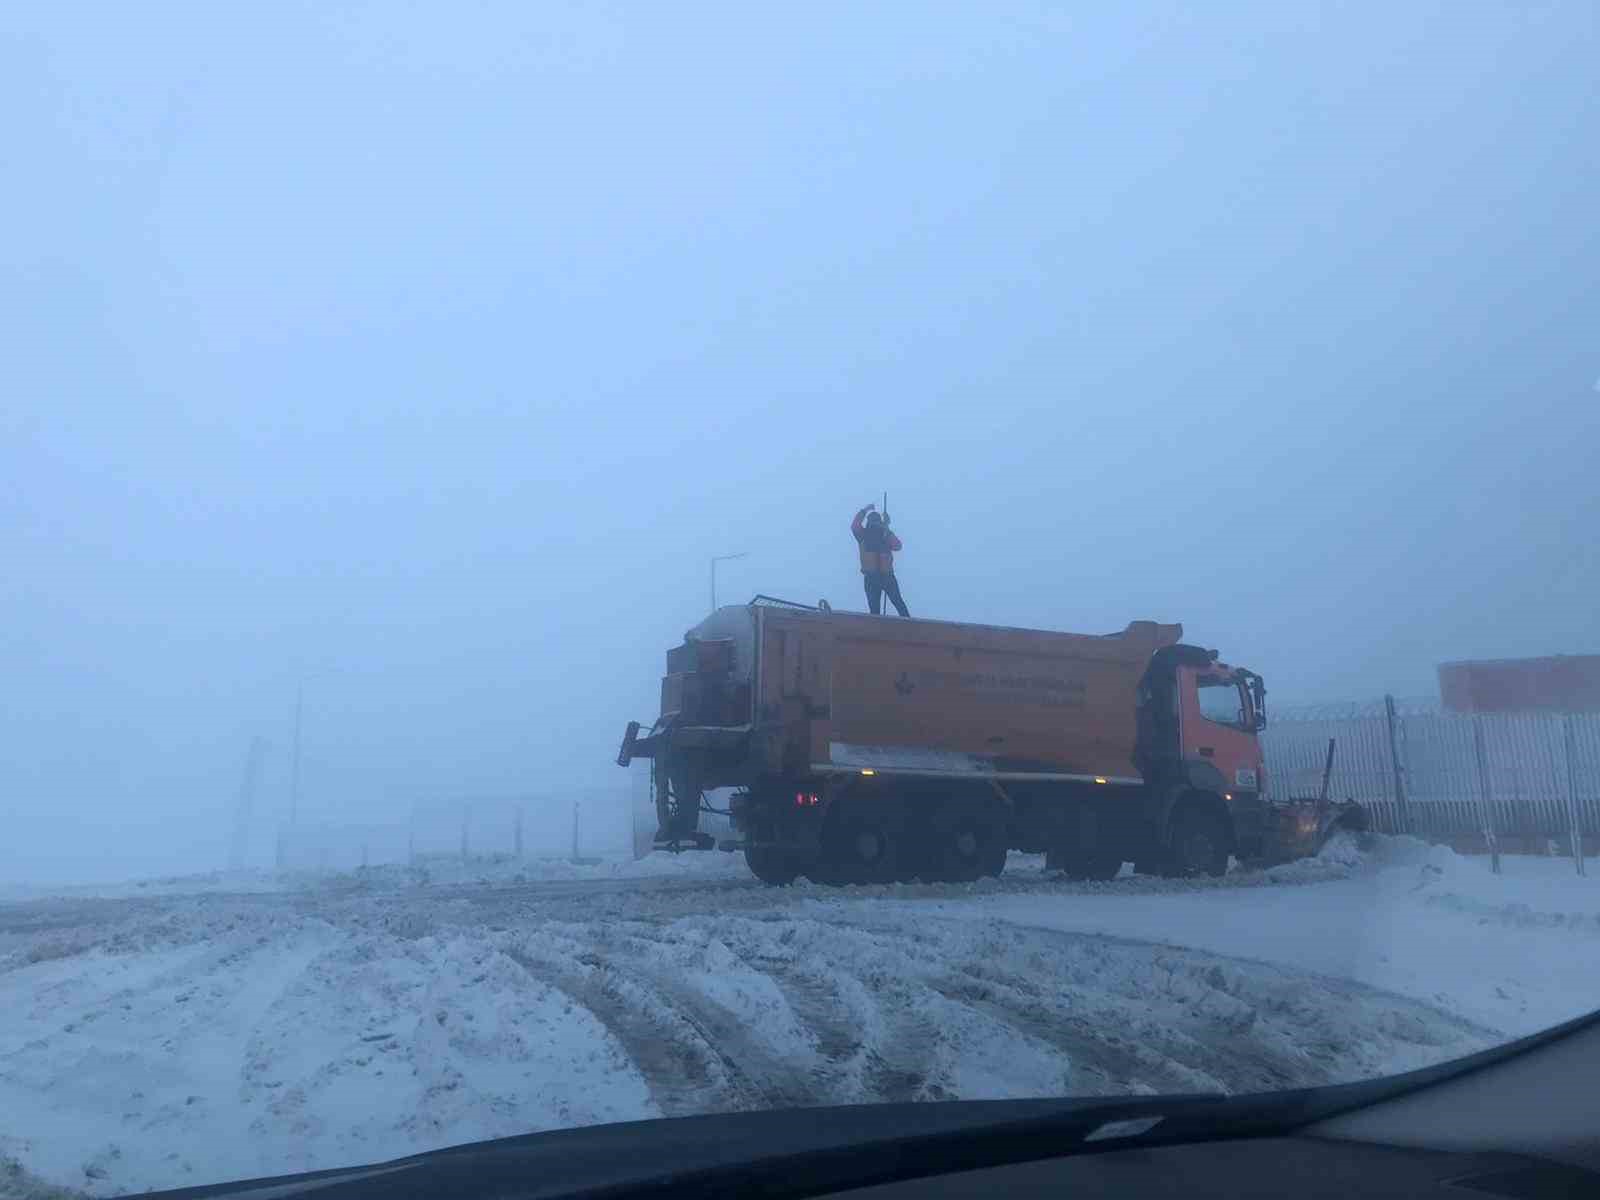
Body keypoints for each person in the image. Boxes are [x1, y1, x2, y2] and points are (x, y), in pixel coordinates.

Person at [851, 502, 910, 617]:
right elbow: (854, 526)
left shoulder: (881, 534)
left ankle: (909, 625)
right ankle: (907, 625)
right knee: (890, 606)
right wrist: (866, 510)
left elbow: (897, 546)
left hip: (881, 577)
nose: (874, 524)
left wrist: (886, 528)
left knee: (895, 604)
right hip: (878, 577)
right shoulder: (865, 534)